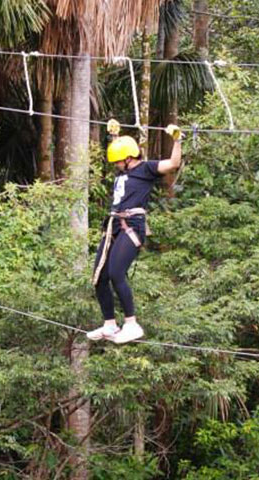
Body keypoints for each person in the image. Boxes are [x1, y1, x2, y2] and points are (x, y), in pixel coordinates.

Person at [87, 124, 183, 344]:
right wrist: (114, 136)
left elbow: (173, 163)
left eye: (119, 162)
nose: (117, 166)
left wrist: (177, 140)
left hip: (132, 224)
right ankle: (110, 324)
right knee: (99, 276)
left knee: (116, 273)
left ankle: (132, 324)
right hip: (114, 225)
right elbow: (120, 149)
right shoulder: (125, 169)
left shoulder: (145, 169)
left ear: (130, 158)